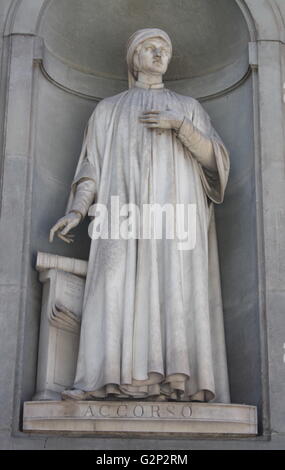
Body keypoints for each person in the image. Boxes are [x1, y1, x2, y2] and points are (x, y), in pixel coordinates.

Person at [50, 29, 230, 402]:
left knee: (173, 290)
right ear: (134, 58)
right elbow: (91, 167)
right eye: (150, 48)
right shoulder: (109, 109)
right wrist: (77, 209)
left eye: (164, 49)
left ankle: (176, 381)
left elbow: (218, 163)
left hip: (176, 218)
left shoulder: (188, 106)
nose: (159, 54)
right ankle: (104, 379)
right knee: (111, 286)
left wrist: (180, 126)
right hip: (120, 215)